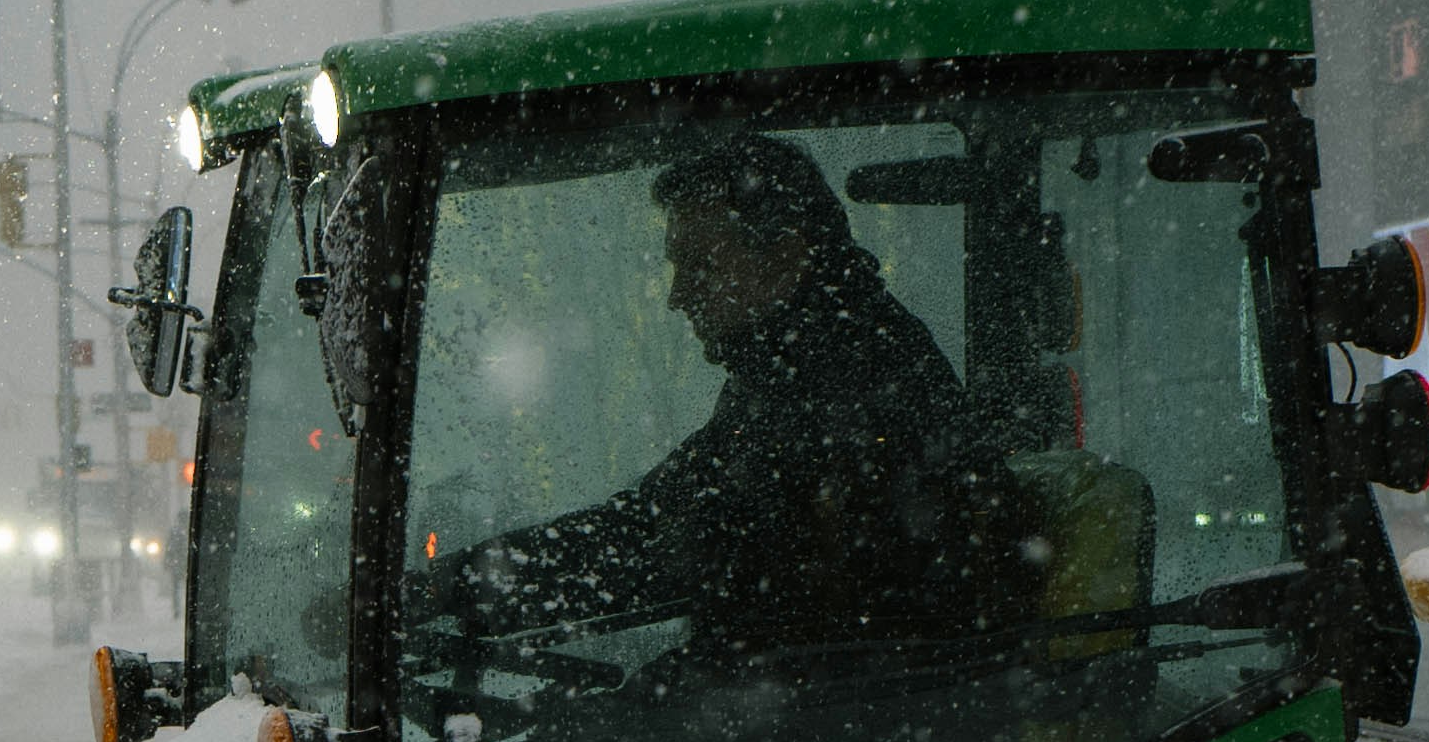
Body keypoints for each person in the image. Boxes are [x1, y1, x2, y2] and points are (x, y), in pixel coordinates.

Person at [428, 133, 1022, 658]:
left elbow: (661, 546)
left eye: (699, 266)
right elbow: (661, 521)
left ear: (785, 257)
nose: (677, 296)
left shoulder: (843, 386)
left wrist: (454, 588)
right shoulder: (802, 364)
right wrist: (457, 585)